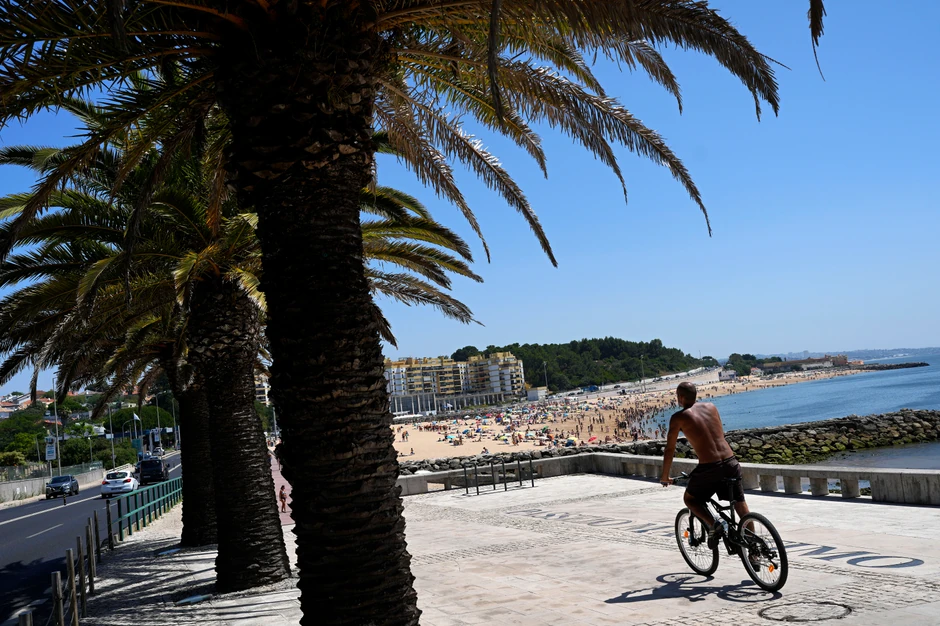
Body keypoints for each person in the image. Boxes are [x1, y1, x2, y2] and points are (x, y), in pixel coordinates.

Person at [660, 382, 749, 548]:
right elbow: (718, 434)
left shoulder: (678, 417)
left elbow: (670, 449)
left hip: (710, 467)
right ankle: (755, 551)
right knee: (741, 506)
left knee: (690, 499)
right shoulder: (712, 407)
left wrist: (665, 476)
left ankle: (714, 525)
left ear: (680, 397)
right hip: (731, 462)